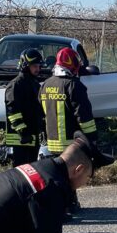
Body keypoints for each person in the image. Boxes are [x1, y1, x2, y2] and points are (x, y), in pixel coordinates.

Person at [40, 48, 97, 214]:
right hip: (70, 143)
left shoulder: (46, 84)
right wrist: (91, 138)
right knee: (70, 175)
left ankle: (57, 205)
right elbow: (84, 116)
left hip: (51, 141)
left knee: (55, 174)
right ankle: (68, 204)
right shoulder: (74, 85)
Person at [4, 49, 45, 167]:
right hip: (20, 139)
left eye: (39, 66)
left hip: (32, 137)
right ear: (25, 66)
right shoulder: (16, 85)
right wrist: (23, 132)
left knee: (31, 171)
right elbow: (12, 111)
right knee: (20, 173)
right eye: (34, 66)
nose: (38, 69)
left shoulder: (34, 84)